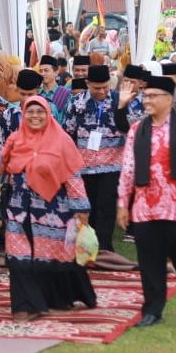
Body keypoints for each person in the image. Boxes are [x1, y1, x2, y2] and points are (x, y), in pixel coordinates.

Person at [117, 74, 176, 326]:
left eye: (152, 96)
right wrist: (123, 203)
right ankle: (152, 309)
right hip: (145, 206)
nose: (147, 100)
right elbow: (128, 168)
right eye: (145, 96)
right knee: (149, 258)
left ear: (169, 99)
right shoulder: (138, 129)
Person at [0, 95, 95, 320]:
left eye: (40, 112)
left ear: (48, 114)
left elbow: (73, 176)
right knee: (19, 257)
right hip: (18, 210)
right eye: (30, 111)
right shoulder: (15, 140)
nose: (35, 116)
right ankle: (24, 306)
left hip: (53, 211)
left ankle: (57, 299)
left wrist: (81, 209)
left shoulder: (62, 141)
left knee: (51, 256)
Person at [62, 64, 134, 253]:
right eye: (96, 88)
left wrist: (123, 108)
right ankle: (88, 246)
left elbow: (130, 130)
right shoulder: (76, 102)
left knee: (106, 207)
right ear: (87, 84)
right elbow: (68, 132)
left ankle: (105, 247)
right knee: (88, 207)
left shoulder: (119, 99)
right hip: (84, 166)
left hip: (112, 166)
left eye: (105, 87)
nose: (101, 91)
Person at [38, 55, 73, 123]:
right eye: (41, 71)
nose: (43, 74)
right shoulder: (37, 93)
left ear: (56, 72)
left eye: (46, 70)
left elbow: (68, 117)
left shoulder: (65, 93)